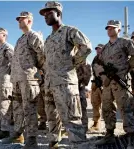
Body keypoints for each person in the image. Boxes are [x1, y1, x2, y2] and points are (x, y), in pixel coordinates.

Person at [39, 1, 92, 147]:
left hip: (65, 83)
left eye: (49, 13)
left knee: (72, 120)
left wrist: (72, 63)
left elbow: (86, 47)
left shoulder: (69, 31)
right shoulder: (48, 39)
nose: (45, 17)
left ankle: (79, 146)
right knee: (52, 118)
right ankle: (53, 143)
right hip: (50, 84)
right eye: (44, 14)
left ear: (58, 13)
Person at [95, 20, 134, 149]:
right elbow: (99, 63)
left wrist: (128, 67)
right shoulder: (105, 48)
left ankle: (131, 138)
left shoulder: (126, 43)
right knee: (107, 108)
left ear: (119, 30)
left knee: (126, 110)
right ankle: (109, 134)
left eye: (112, 28)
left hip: (121, 82)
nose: (109, 30)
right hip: (108, 84)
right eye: (108, 28)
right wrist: (104, 76)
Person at [3, 11, 45, 148]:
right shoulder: (20, 39)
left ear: (29, 21)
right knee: (17, 108)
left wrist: (35, 70)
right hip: (16, 79)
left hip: (29, 79)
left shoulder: (34, 36)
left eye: (22, 19)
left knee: (29, 109)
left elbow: (42, 55)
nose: (19, 21)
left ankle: (31, 139)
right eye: (18, 19)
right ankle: (18, 134)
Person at [88, 44, 104, 132]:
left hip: (105, 84)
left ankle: (109, 127)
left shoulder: (106, 58)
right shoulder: (95, 58)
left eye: (100, 49)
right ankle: (96, 123)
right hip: (95, 84)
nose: (98, 50)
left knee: (107, 106)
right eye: (97, 49)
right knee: (95, 103)